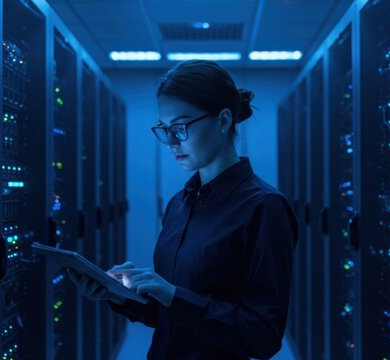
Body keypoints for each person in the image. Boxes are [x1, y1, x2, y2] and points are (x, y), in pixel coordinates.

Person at [68, 60, 298, 360]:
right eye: (165, 130)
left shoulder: (264, 207)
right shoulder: (180, 203)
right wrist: (118, 294)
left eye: (181, 127)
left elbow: (263, 336)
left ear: (223, 120)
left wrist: (173, 295)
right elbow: (170, 315)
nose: (171, 141)